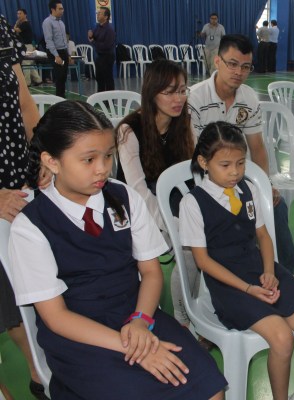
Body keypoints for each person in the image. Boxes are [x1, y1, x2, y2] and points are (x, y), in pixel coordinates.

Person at [8, 100, 227, 399]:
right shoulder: (30, 226)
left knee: (209, 386)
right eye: (89, 159)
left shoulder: (124, 197)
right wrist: (131, 346)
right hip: (79, 336)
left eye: (108, 155)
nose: (102, 169)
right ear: (52, 161)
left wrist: (140, 322)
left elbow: (151, 273)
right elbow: (56, 318)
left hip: (136, 314)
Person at [179, 121, 294, 400]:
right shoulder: (193, 203)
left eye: (241, 163)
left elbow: (263, 236)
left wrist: (269, 272)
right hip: (227, 284)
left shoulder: (248, 190)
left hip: (259, 268)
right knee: (281, 338)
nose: (235, 172)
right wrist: (247, 288)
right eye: (225, 165)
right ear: (204, 163)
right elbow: (203, 262)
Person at [187, 34, 294, 290]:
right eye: (232, 64)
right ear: (217, 61)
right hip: (205, 178)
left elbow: (257, 147)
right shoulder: (196, 98)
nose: (239, 72)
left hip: (237, 174)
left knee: (276, 206)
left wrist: (265, 185)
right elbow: (191, 153)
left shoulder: (248, 98)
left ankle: (286, 271)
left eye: (245, 67)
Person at [116, 59, 195, 326]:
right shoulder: (129, 130)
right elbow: (137, 190)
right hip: (137, 206)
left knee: (207, 232)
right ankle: (183, 317)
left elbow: (192, 174)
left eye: (182, 91)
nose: (178, 99)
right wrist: (172, 225)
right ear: (151, 93)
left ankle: (199, 306)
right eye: (170, 92)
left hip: (174, 198)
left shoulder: (184, 122)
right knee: (189, 245)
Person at [0, 14, 50, 400]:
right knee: (7, 292)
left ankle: (42, 366)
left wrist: (42, 157)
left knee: (35, 275)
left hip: (20, 180)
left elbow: (23, 101)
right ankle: (34, 369)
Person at [42, 0, 69, 98]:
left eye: (62, 8)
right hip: (54, 52)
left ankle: (62, 97)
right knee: (59, 76)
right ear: (53, 9)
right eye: (60, 9)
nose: (62, 10)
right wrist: (56, 56)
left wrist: (68, 54)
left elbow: (65, 40)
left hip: (63, 51)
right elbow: (49, 40)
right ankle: (59, 99)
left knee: (64, 76)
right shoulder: (47, 22)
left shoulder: (61, 23)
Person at [87, 6, 116, 92]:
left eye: (100, 13)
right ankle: (100, 96)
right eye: (97, 13)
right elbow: (94, 37)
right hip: (99, 56)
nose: (98, 15)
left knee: (107, 79)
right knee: (99, 78)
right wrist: (90, 35)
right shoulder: (98, 27)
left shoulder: (109, 29)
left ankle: (110, 98)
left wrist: (93, 41)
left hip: (107, 56)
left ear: (106, 17)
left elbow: (106, 46)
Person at [13, 8, 42, 87]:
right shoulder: (22, 24)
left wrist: (16, 23)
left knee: (26, 63)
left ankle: (27, 82)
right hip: (25, 46)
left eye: (20, 13)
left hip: (27, 46)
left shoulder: (25, 23)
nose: (18, 15)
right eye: (17, 14)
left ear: (25, 15)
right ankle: (38, 80)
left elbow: (16, 30)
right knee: (29, 64)